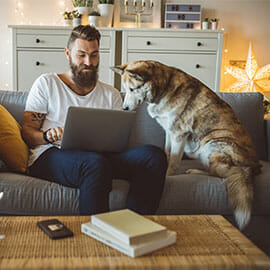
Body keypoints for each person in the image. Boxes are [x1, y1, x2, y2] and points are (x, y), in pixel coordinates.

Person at [22, 25, 168, 215]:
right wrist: (48, 136)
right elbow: (27, 133)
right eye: (81, 55)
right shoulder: (47, 83)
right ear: (68, 53)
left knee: (153, 156)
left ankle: (134, 226)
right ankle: (95, 238)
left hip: (100, 157)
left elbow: (118, 141)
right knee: (94, 164)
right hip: (51, 154)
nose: (88, 62)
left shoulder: (111, 94)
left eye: (94, 55)